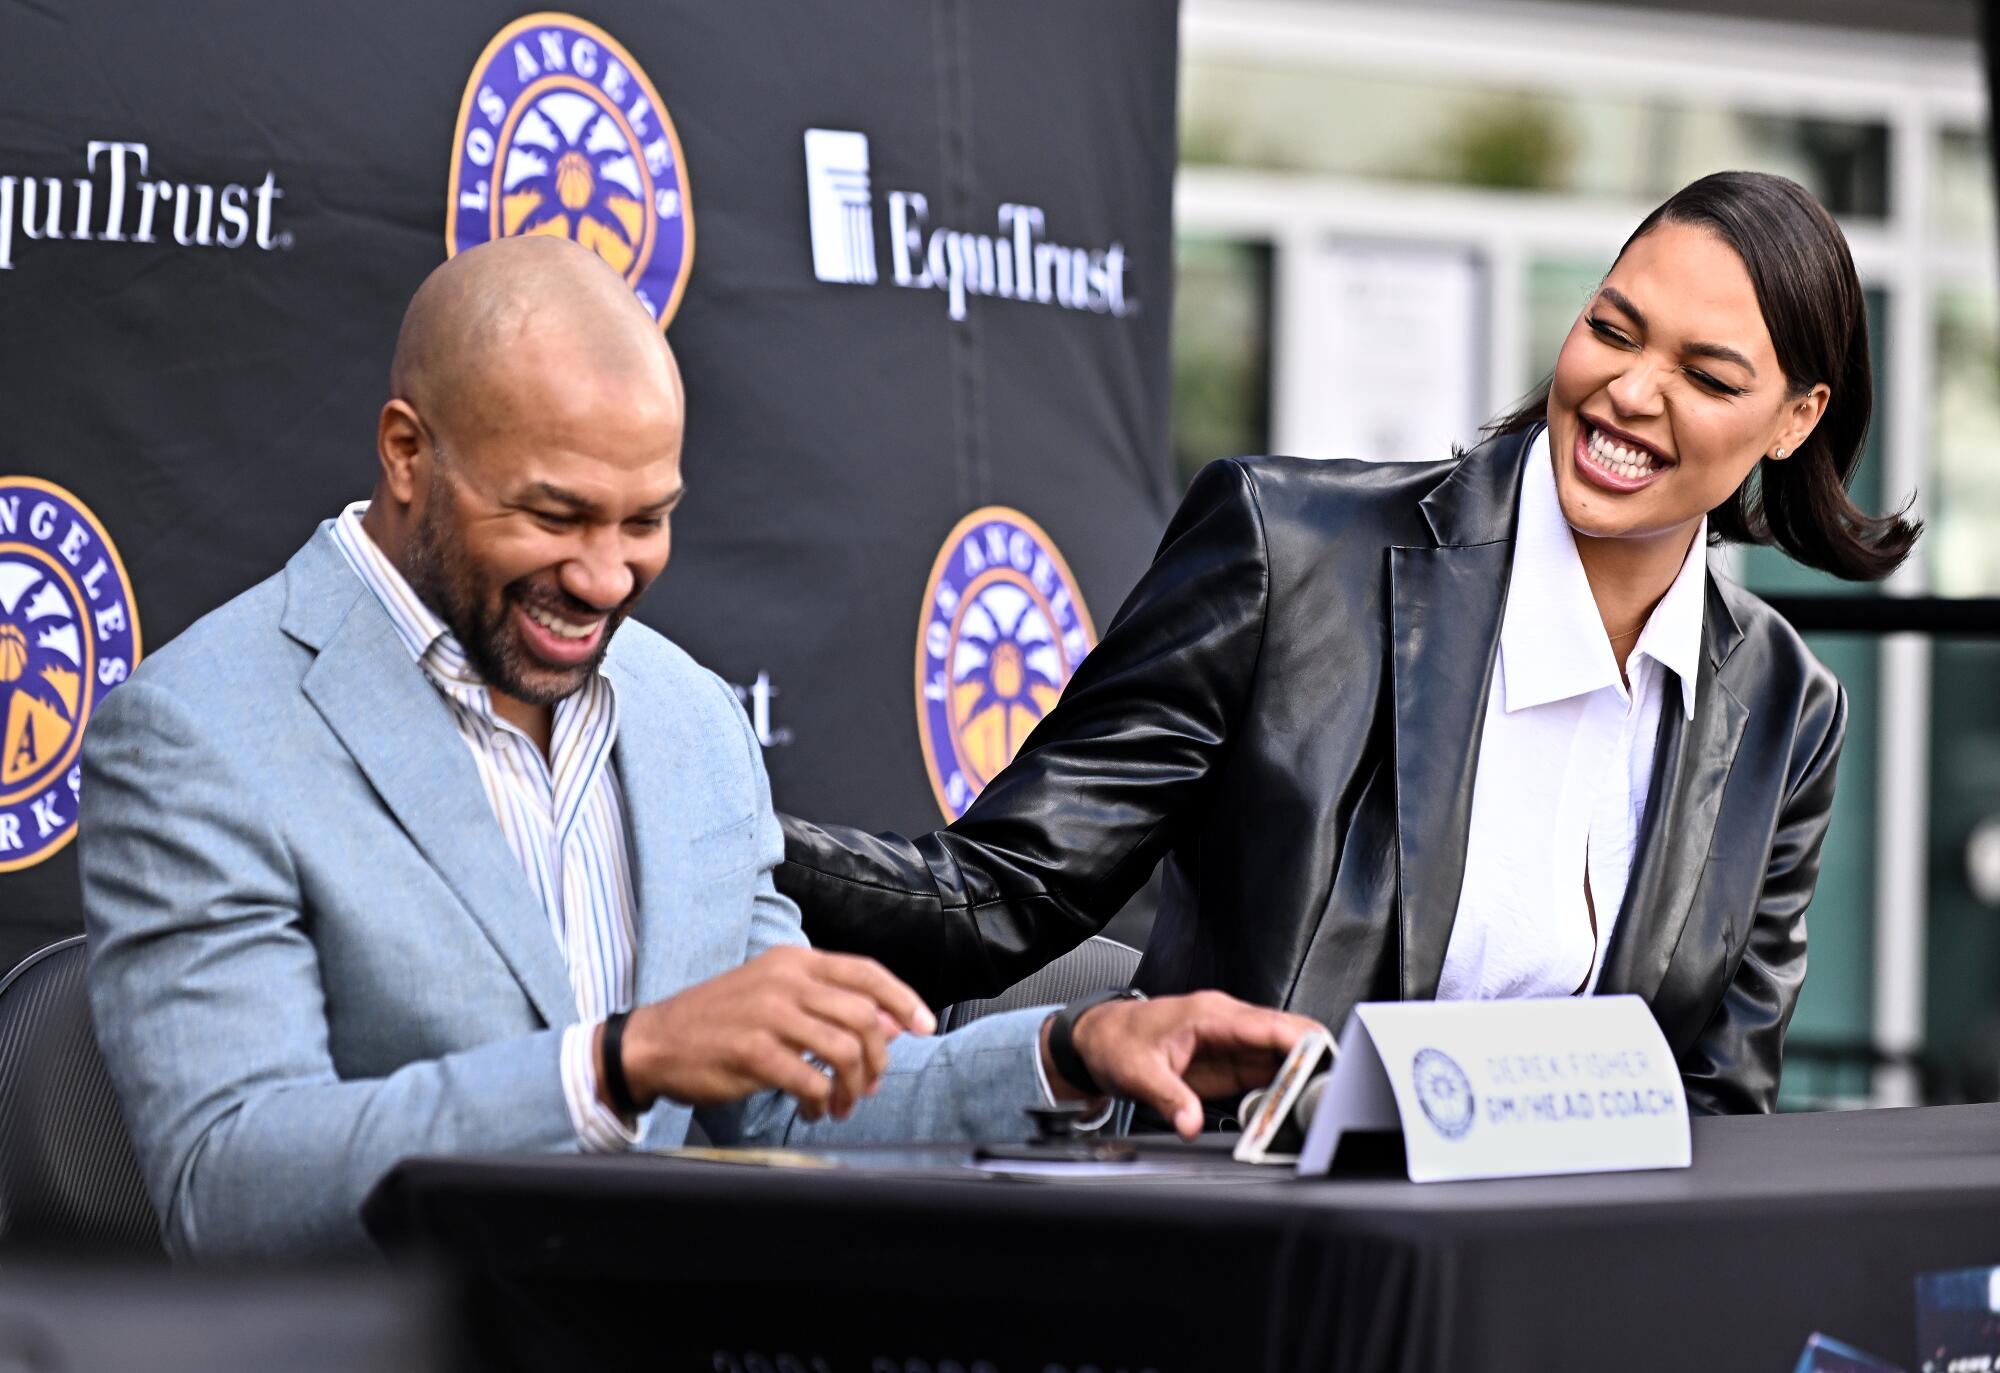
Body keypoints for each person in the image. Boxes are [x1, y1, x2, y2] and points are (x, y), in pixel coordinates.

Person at [77, 236, 1313, 1261]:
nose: (606, 575)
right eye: (553, 514)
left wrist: (1064, 1053)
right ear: (408, 453)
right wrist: (616, 1065)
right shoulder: (201, 730)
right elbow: (228, 1185)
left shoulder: (681, 710)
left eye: (647, 520)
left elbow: (787, 1103)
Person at [780, 170, 1920, 1116]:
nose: (1627, 390)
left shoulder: (1782, 706)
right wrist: (719, 841)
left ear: (1793, 418)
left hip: (1537, 1279)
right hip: (1248, 1231)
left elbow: (1714, 1100)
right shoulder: (1286, 553)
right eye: (1609, 329)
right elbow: (1000, 896)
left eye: (1705, 374)